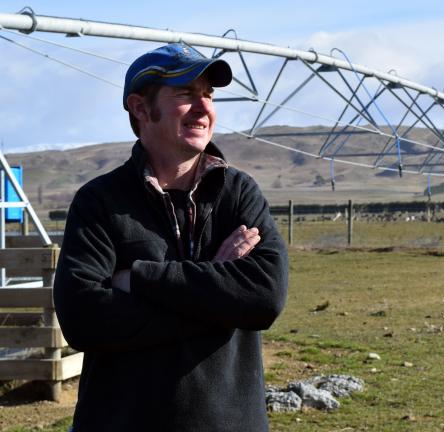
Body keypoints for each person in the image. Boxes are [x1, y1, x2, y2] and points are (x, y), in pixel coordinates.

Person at [53, 43, 289, 432]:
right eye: (186, 94)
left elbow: (265, 297)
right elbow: (83, 319)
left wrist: (141, 279)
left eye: (208, 95)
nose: (203, 107)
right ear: (141, 109)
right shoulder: (100, 202)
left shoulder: (240, 194)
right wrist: (217, 291)